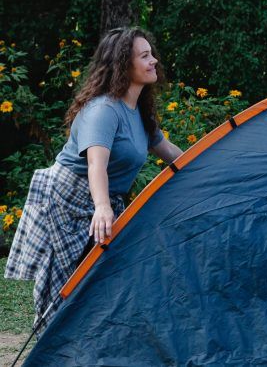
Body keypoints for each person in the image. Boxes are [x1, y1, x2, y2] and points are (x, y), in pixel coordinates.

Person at [4, 27, 184, 333]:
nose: (154, 61)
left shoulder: (139, 111)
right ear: (123, 65)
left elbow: (168, 151)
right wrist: (102, 207)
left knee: (106, 278)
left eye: (151, 54)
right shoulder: (104, 110)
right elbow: (95, 164)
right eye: (144, 56)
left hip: (101, 200)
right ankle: (54, 350)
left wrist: (202, 165)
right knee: (66, 284)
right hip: (68, 198)